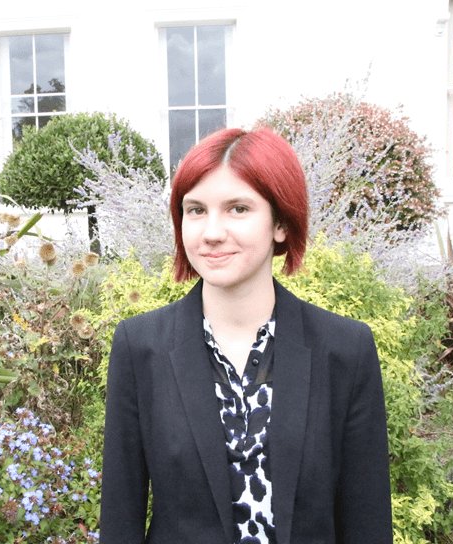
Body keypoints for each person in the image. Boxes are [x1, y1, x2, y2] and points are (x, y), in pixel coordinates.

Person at [99, 127, 392, 544]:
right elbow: (120, 517)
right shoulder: (140, 346)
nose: (212, 232)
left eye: (238, 208)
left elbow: (367, 520)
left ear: (281, 224)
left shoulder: (344, 349)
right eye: (195, 210)